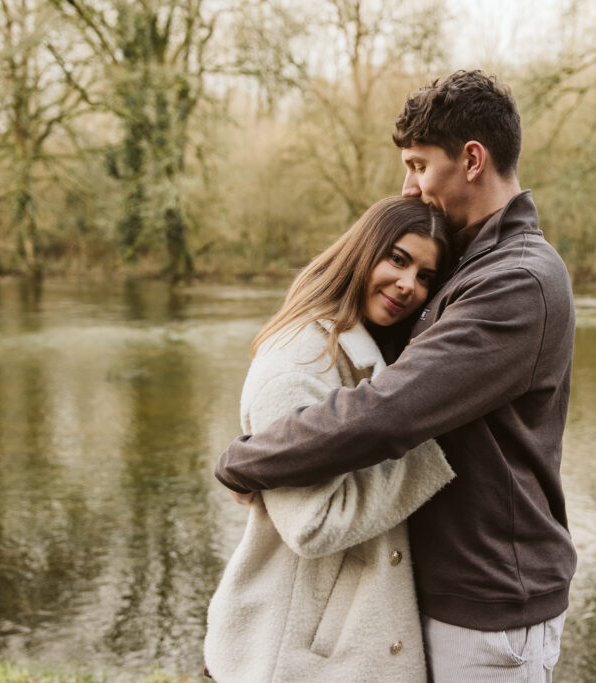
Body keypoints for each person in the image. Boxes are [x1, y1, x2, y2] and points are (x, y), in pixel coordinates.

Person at [216, 70, 576, 682]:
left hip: (489, 604)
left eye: (417, 164)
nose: (408, 185)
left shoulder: (517, 281)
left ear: (470, 159)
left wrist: (251, 460)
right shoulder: (474, 262)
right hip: (446, 593)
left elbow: (389, 411)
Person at [203, 196, 456, 682]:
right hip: (290, 656)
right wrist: (430, 452)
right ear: (362, 252)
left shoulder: (371, 350)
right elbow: (311, 523)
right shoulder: (298, 359)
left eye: (425, 276)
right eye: (398, 259)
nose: (408, 285)